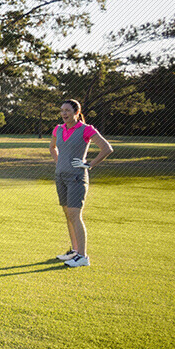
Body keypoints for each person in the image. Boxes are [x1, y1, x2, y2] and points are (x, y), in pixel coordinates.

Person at [50, 99, 113, 268]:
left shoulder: (86, 130)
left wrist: (90, 164)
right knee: (68, 214)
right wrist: (60, 163)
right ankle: (74, 251)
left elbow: (107, 148)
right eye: (62, 110)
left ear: (76, 112)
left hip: (77, 177)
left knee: (75, 215)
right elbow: (52, 148)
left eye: (68, 110)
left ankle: (83, 256)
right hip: (60, 176)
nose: (64, 113)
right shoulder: (58, 129)